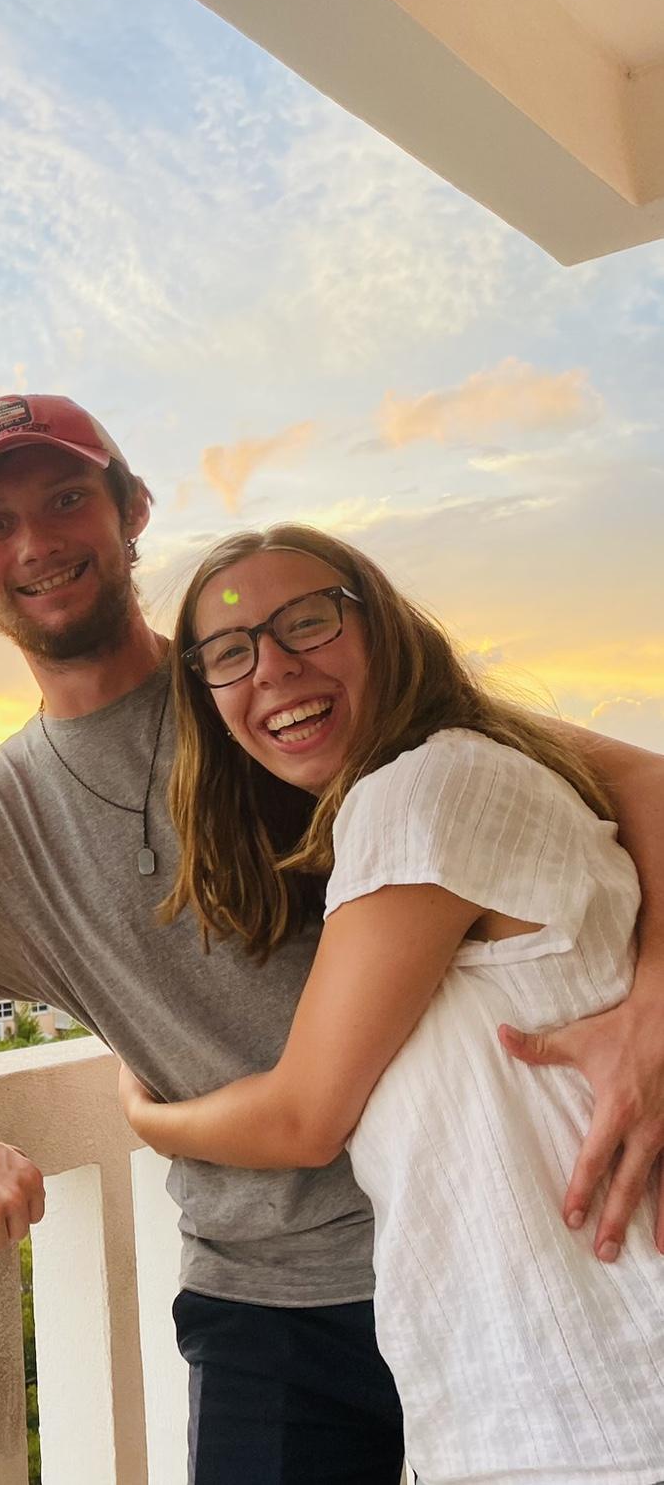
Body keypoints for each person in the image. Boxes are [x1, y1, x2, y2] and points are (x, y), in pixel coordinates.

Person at [0, 395, 664, 1482]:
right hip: (273, 1312)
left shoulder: (284, 685)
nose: (38, 543)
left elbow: (638, 780)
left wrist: (655, 1003)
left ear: (132, 509)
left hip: (509, 1247)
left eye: (66, 499)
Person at [119, 522, 664, 1482]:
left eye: (309, 621)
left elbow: (304, 1117)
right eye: (231, 652)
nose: (275, 666)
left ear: (383, 629)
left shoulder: (420, 794)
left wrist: (148, 1114)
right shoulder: (476, 763)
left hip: (592, 1384)